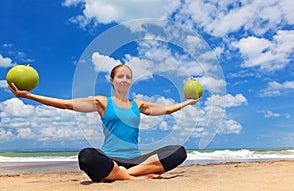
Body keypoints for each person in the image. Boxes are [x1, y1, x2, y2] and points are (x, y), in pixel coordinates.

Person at [8, 64, 200, 182]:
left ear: (131, 81)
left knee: (178, 151)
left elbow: (166, 110)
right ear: (112, 80)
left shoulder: (138, 104)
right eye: (120, 76)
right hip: (110, 160)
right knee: (86, 156)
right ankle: (132, 178)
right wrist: (29, 96)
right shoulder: (102, 102)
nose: (124, 79)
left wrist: (189, 102)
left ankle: (124, 175)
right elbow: (67, 104)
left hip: (136, 160)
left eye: (128, 77)